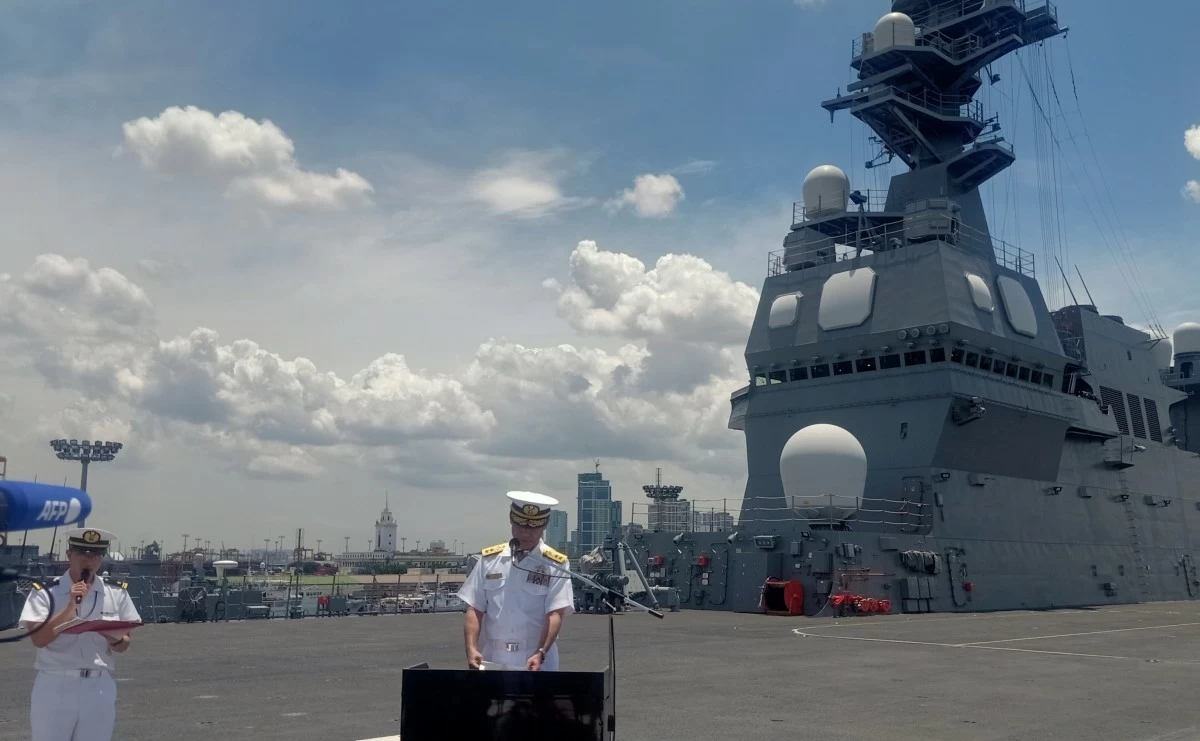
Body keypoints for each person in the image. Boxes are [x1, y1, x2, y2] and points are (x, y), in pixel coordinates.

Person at [20, 527, 141, 741]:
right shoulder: (45, 592)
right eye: (83, 554)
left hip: (98, 686)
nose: (89, 560)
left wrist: (113, 637)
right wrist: (69, 607)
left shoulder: (116, 592)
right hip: (56, 685)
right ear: (69, 555)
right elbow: (39, 639)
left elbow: (124, 644)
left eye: (95, 555)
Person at [458, 491, 575, 671]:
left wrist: (541, 652)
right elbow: (474, 608)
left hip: (536, 658)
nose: (525, 533)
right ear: (512, 520)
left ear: (544, 525)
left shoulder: (555, 564)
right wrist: (471, 648)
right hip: (493, 657)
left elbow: (555, 613)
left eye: (532, 528)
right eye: (520, 526)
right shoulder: (490, 560)